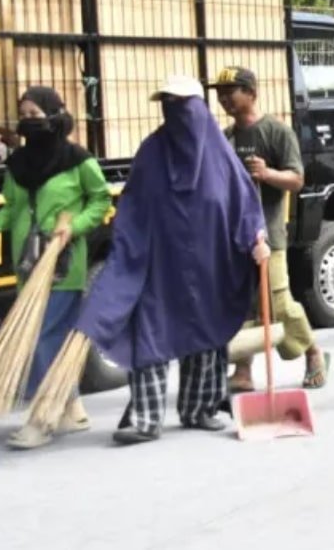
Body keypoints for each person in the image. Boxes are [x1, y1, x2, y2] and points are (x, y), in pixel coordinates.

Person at [71, 76, 269, 445]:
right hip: (159, 265)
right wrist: (129, 252)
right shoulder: (152, 152)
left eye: (182, 105)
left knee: (207, 335)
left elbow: (243, 202)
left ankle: (200, 409)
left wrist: (256, 237)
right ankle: (145, 419)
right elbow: (133, 205)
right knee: (151, 334)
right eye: (168, 104)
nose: (176, 114)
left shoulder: (220, 154)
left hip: (211, 265)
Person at [0, 87, 112, 450]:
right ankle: (72, 408)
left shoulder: (79, 161)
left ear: (54, 116)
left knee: (44, 337)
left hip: (62, 263)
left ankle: (42, 418)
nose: (28, 121)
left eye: (35, 113)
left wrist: (72, 227)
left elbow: (101, 199)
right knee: (49, 338)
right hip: (28, 262)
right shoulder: (19, 165)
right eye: (23, 114)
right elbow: (12, 209)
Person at [211, 66, 330, 391]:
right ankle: (244, 371)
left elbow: (296, 179)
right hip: (236, 236)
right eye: (219, 93)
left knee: (278, 302)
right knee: (242, 305)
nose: (223, 98)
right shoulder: (227, 137)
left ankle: (313, 351)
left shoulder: (277, 132)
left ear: (251, 92)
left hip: (269, 234)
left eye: (230, 91)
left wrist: (266, 174)